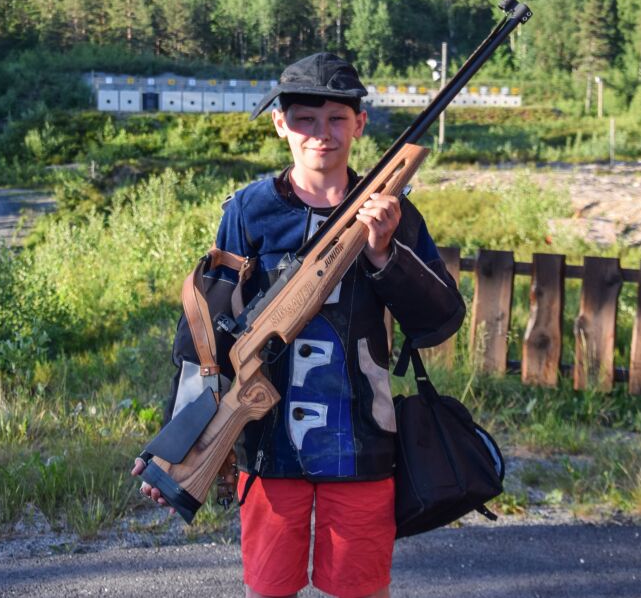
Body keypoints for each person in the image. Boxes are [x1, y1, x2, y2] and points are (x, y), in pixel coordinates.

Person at [132, 52, 464, 598]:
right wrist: (179, 444)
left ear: (360, 124)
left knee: (359, 589)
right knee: (269, 589)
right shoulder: (248, 210)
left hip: (361, 444)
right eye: (305, 119)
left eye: (336, 119)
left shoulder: (392, 212)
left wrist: (385, 252)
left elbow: (441, 318)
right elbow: (205, 336)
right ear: (280, 123)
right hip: (267, 447)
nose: (321, 134)